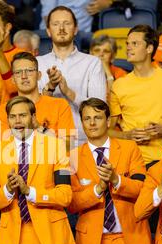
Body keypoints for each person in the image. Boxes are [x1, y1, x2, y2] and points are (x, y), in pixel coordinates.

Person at [0, 96, 75, 244]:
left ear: (34, 118)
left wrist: (29, 191)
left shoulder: (57, 147)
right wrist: (8, 190)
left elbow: (65, 195)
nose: (17, 121)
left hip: (51, 236)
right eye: (12, 116)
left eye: (23, 115)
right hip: (14, 240)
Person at [68, 98, 151, 244]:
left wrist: (116, 180)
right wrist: (97, 190)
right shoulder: (71, 157)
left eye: (97, 118)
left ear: (107, 121)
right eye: (86, 118)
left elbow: (142, 190)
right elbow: (72, 203)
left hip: (131, 241)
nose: (91, 123)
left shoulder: (130, 148)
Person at [109, 24, 162, 167]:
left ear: (149, 49)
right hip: (130, 160)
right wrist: (127, 135)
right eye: (127, 44)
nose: (128, 48)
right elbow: (107, 130)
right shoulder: (118, 85)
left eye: (135, 44)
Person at [37, 5, 106, 148]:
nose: (61, 28)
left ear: (75, 29)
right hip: (44, 139)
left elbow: (100, 109)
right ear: (48, 31)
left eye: (67, 23)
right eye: (56, 24)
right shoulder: (37, 63)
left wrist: (68, 92)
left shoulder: (92, 62)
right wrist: (49, 88)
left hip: (82, 140)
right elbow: (32, 107)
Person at [0, 52, 75, 142]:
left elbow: (68, 147)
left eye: (29, 71)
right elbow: (1, 150)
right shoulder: (1, 111)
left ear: (39, 75)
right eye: (18, 72)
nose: (24, 76)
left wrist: (39, 127)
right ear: (12, 79)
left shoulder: (60, 105)